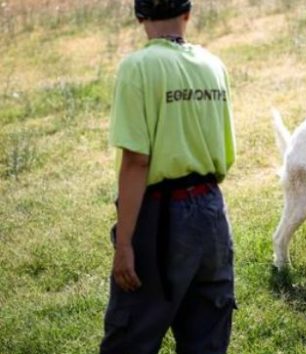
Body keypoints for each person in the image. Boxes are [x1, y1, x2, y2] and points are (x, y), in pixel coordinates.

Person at [100, 1, 236, 353]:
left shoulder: (138, 67)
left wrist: (126, 243)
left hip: (161, 217)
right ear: (188, 13)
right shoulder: (213, 65)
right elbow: (226, 150)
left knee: (133, 335)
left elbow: (136, 161)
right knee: (206, 336)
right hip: (211, 212)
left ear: (140, 17)